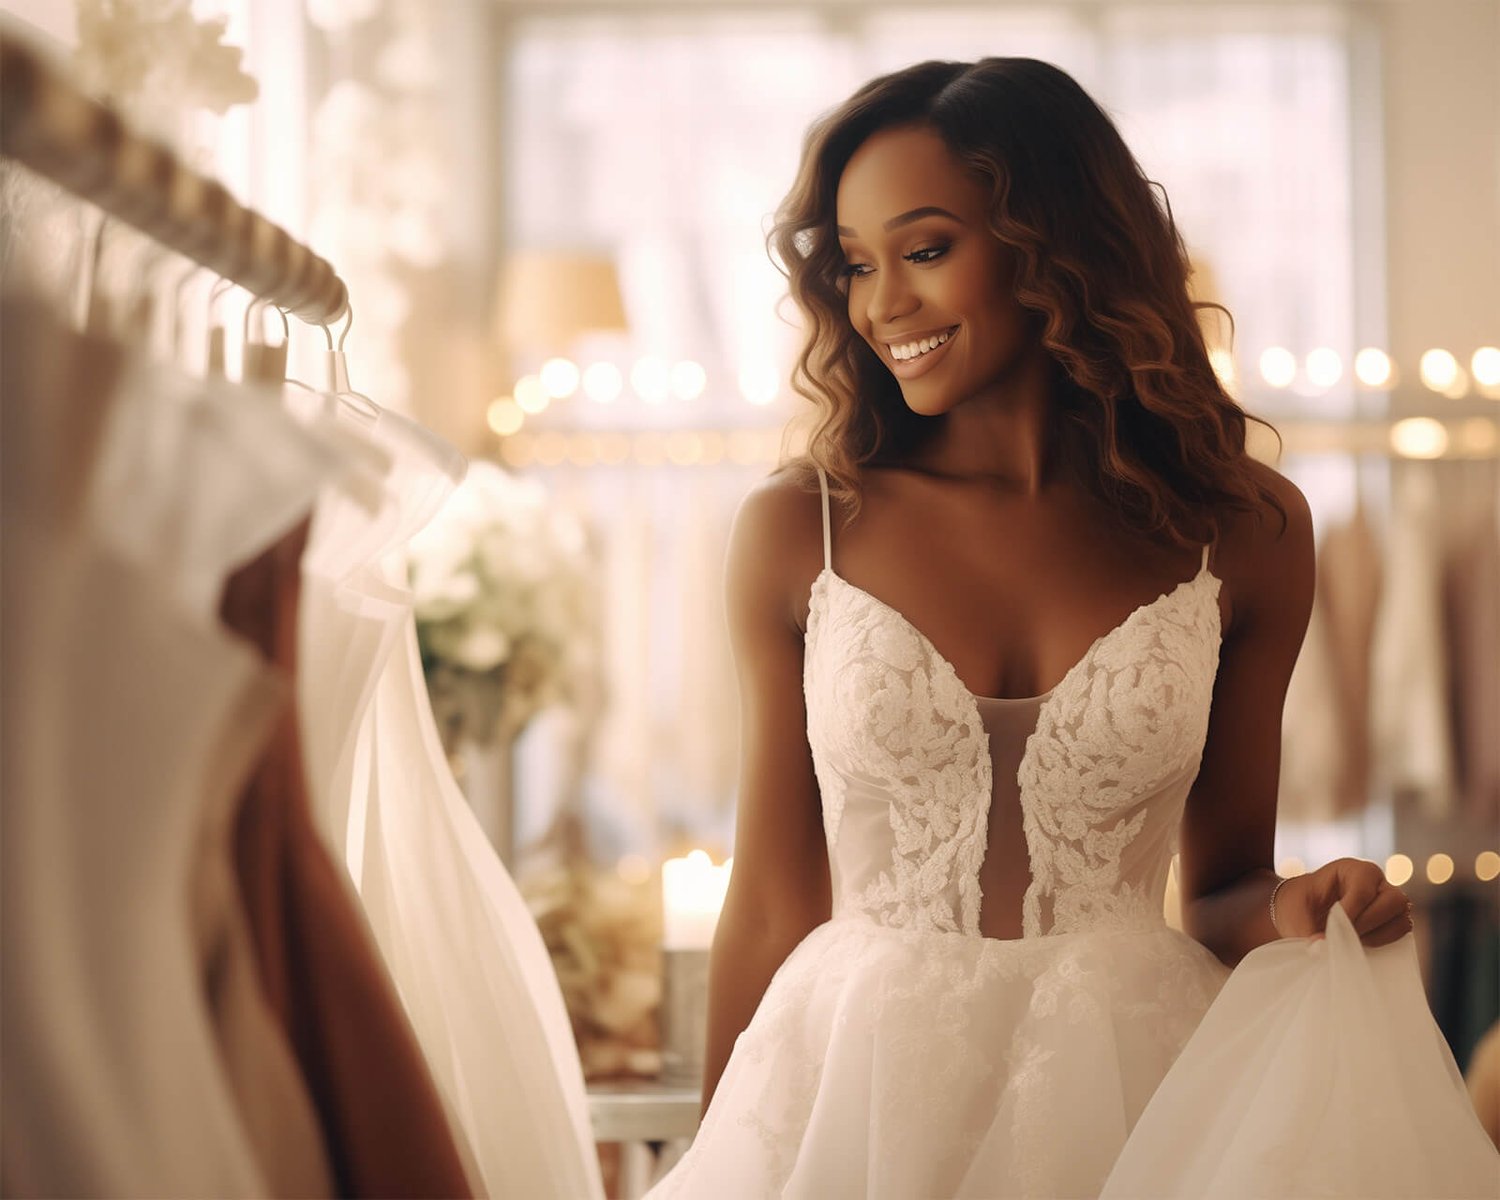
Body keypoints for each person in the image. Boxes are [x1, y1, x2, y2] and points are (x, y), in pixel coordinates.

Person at [645, 58, 1486, 1198]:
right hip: (853, 1094)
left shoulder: (1243, 530)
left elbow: (1226, 887)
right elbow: (772, 906)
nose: (883, 302)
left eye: (926, 249)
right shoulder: (803, 531)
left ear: (1055, 241)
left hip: (1139, 1093)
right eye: (854, 264)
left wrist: (1298, 905)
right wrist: (714, 1150)